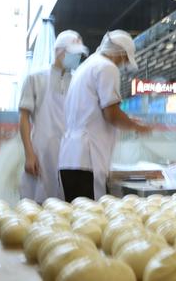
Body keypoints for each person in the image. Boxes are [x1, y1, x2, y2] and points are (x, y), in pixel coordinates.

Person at [58, 30, 152, 201]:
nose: (123, 64)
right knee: (89, 219)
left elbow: (94, 111)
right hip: (87, 159)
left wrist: (128, 121)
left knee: (76, 218)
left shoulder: (85, 67)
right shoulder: (107, 67)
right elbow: (112, 114)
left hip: (69, 157)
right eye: (124, 59)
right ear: (120, 53)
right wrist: (137, 127)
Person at [19, 30, 88, 203]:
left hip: (68, 155)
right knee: (35, 205)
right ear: (59, 51)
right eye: (73, 53)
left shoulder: (78, 82)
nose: (76, 57)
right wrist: (29, 154)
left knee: (64, 207)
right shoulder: (35, 79)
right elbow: (24, 119)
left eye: (79, 54)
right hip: (41, 152)